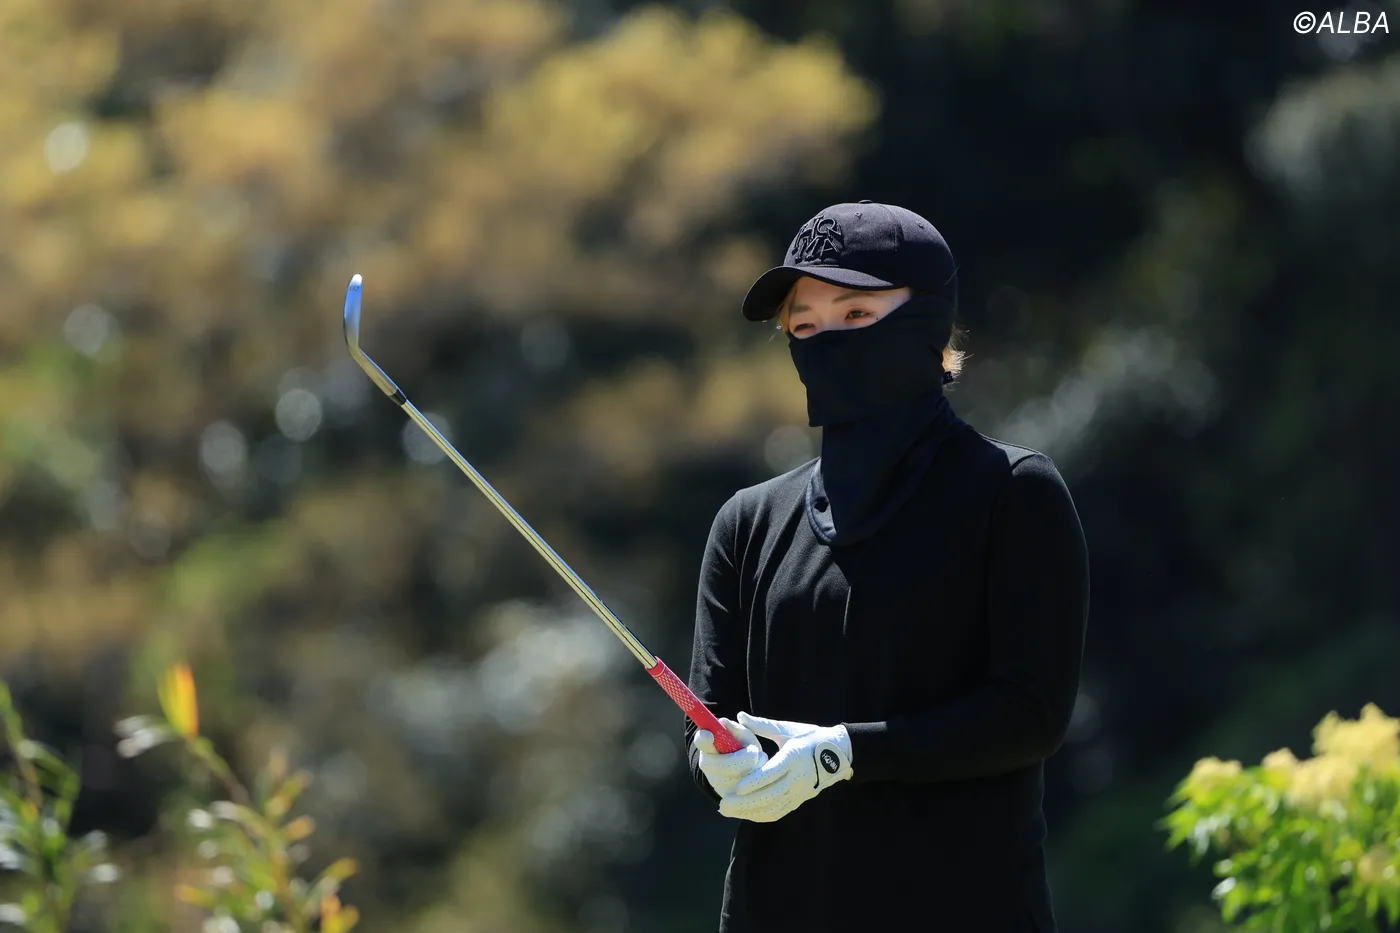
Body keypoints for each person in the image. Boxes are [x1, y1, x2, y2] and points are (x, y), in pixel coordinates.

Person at [684, 201, 1090, 932]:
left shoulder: (1011, 493)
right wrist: (714, 759)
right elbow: (710, 720)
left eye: (856, 314)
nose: (827, 340)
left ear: (929, 321)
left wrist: (844, 753)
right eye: (805, 326)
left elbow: (1031, 712)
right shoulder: (746, 523)